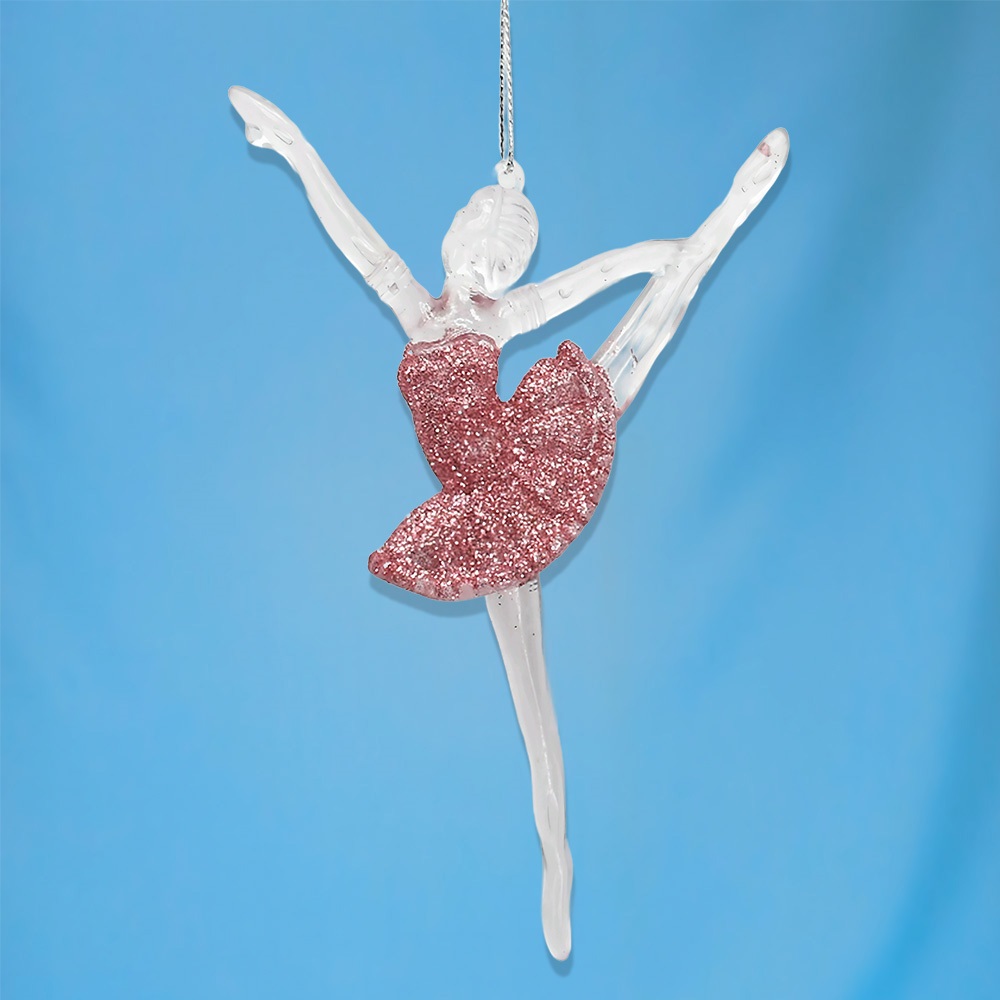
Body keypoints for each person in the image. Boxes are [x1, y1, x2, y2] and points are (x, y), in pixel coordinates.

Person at [229, 84, 788, 959]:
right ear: (456, 234)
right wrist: (293, 144)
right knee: (533, 705)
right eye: (482, 248)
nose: (488, 268)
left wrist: (663, 253)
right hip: (482, 510)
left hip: (528, 461)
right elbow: (354, 234)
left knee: (641, 335)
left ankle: (733, 210)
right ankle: (556, 857)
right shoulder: (416, 304)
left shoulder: (504, 312)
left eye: (504, 261)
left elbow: (590, 279)